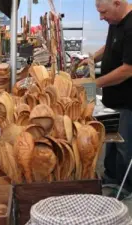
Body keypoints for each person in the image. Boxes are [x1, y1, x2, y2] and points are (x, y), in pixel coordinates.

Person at [80, 0, 132, 197]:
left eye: (103, 12)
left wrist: (96, 83)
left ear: (117, 3)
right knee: (110, 141)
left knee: (124, 146)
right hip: (112, 99)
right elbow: (109, 46)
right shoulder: (116, 22)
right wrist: (92, 58)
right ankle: (111, 179)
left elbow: (128, 69)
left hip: (127, 101)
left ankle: (126, 187)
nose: (101, 18)